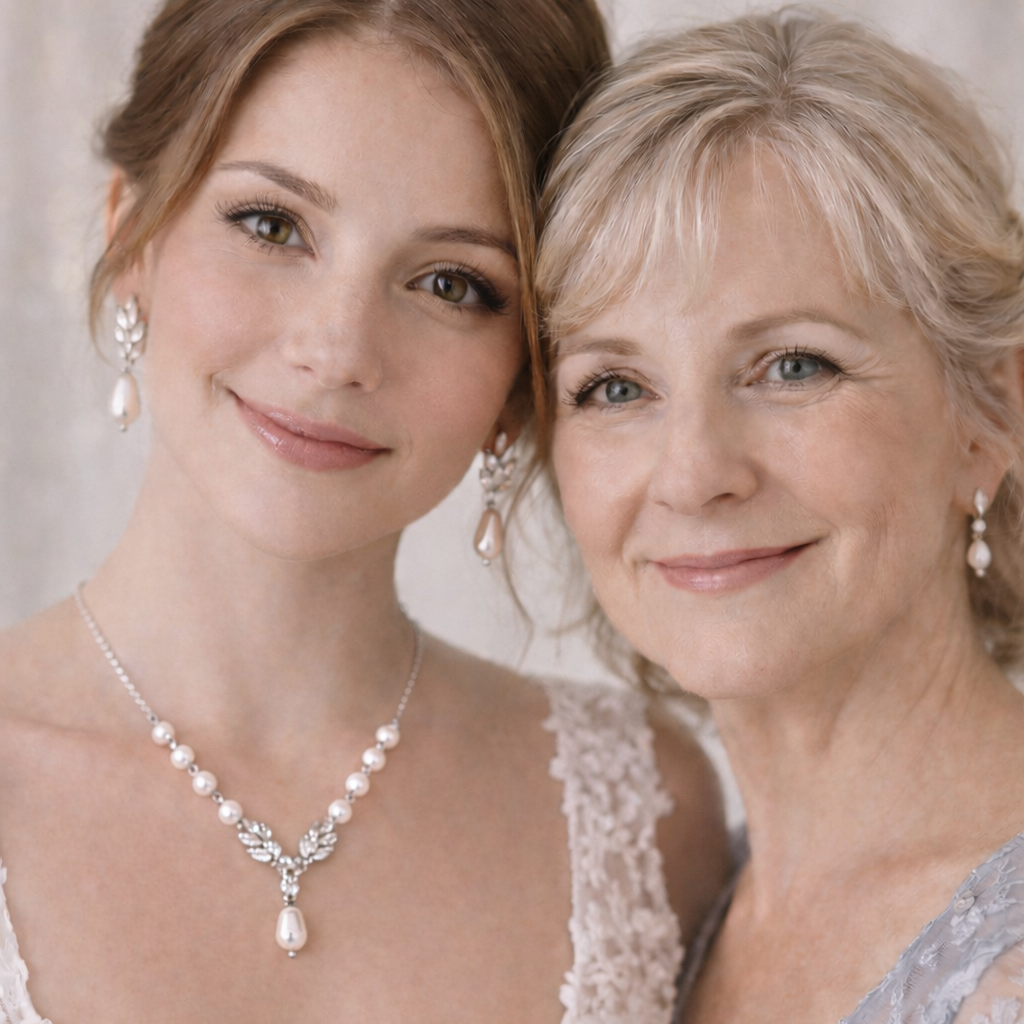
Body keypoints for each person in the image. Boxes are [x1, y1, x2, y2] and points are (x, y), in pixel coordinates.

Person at [0, 1, 732, 1021]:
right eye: (272, 224)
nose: (339, 349)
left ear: (523, 378)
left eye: (449, 282)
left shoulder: (648, 817)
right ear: (133, 236)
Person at [536, 7, 1024, 1024]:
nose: (694, 473)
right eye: (615, 387)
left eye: (793, 365)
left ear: (990, 413)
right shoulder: (652, 917)